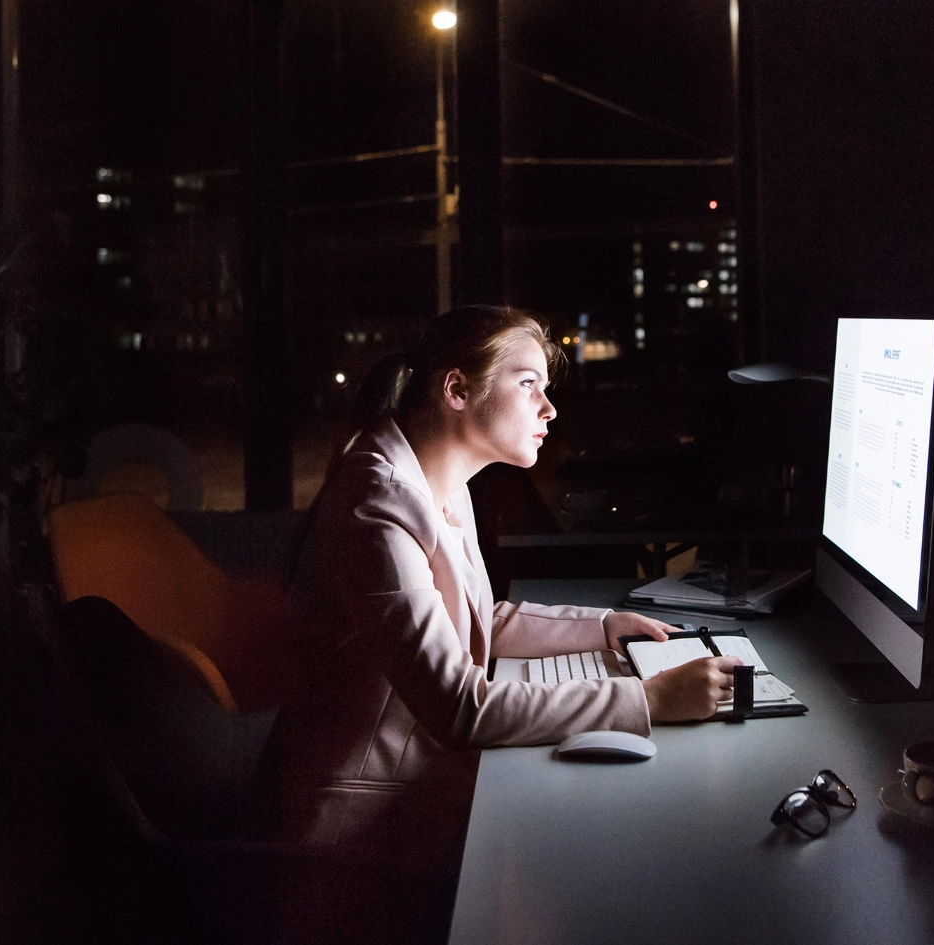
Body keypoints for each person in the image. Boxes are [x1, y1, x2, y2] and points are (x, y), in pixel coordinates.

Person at [259, 305, 737, 943]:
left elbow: (480, 621)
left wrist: (603, 628)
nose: (550, 409)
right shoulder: (378, 505)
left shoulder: (439, 480)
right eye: (527, 384)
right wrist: (646, 699)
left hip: (409, 791)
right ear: (456, 390)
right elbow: (460, 709)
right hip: (354, 826)